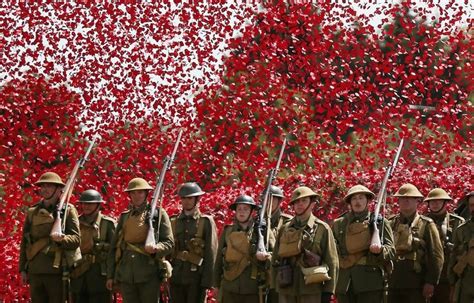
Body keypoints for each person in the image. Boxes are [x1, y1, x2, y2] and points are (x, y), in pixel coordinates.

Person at [106, 177, 174, 303]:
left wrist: (156, 248)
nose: (137, 196)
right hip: (126, 273)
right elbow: (114, 247)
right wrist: (111, 275)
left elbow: (169, 243)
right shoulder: (125, 216)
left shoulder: (158, 214)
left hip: (149, 273)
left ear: (146, 194)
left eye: (140, 192)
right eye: (133, 192)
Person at [19, 172, 81, 303]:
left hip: (56, 271)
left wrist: (61, 239)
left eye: (49, 186)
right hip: (35, 270)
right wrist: (22, 269)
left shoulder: (67, 211)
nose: (45, 189)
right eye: (43, 186)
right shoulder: (33, 212)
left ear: (59, 189)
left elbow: (76, 240)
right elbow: (25, 242)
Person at [272, 186, 338, 303]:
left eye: (304, 201)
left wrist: (328, 291)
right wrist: (273, 287)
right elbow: (275, 259)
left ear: (312, 204)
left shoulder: (322, 229)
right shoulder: (284, 228)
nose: (300, 204)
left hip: (311, 289)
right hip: (286, 287)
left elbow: (332, 262)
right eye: (296, 202)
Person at [332, 185, 395, 303]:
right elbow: (332, 251)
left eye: (361, 198)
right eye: (354, 198)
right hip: (344, 282)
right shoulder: (339, 224)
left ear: (368, 201)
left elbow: (391, 250)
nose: (357, 202)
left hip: (369, 283)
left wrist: (380, 251)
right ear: (350, 202)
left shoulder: (380, 222)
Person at [388, 183, 444, 303]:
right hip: (393, 281)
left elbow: (436, 255)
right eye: (403, 198)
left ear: (417, 201)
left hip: (417, 282)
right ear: (398, 201)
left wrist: (431, 282)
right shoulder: (390, 223)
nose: (406, 201)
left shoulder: (427, 224)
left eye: (410, 198)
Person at [214, 195, 273, 303]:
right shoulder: (228, 231)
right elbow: (219, 259)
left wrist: (266, 257)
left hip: (252, 289)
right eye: (239, 209)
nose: (242, 212)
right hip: (230, 286)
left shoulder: (262, 232)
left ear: (252, 212)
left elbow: (275, 256)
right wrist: (216, 285)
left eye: (245, 209)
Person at [169, 182, 218, 303]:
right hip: (176, 276)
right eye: (184, 198)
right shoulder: (173, 221)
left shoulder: (205, 222)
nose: (186, 201)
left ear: (197, 199)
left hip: (196, 277)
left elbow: (211, 252)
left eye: (190, 198)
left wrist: (208, 282)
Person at [70, 189, 116, 303]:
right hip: (78, 275)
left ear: (98, 205)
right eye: (84, 203)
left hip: (99, 275)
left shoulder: (107, 224)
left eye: (90, 203)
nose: (86, 206)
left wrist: (112, 276)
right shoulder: (75, 222)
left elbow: (114, 252)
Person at [424, 188, 465, 303]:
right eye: (432, 202)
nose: (435, 204)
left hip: (449, 277)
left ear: (445, 203)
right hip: (426, 276)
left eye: (438, 201)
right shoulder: (423, 222)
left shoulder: (457, 222)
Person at [266, 185, 292, 303]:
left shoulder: (287, 222)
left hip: (280, 275)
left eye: (272, 199)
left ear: (279, 201)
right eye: (266, 198)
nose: (269, 202)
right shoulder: (254, 222)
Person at [448, 192, 474, 303]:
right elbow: (454, 257)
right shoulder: (461, 229)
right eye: (472, 205)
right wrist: (452, 284)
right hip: (465, 284)